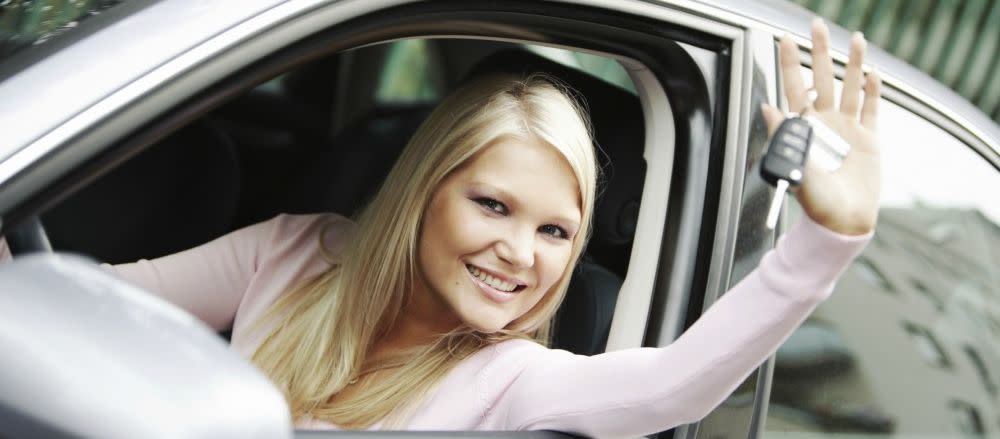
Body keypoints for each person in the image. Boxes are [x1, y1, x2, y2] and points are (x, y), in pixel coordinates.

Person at [0, 20, 882, 437]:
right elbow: (83, 300)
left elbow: (673, 386)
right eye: (493, 205)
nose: (518, 253)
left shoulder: (515, 382)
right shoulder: (297, 250)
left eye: (554, 231)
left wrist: (819, 247)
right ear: (425, 189)